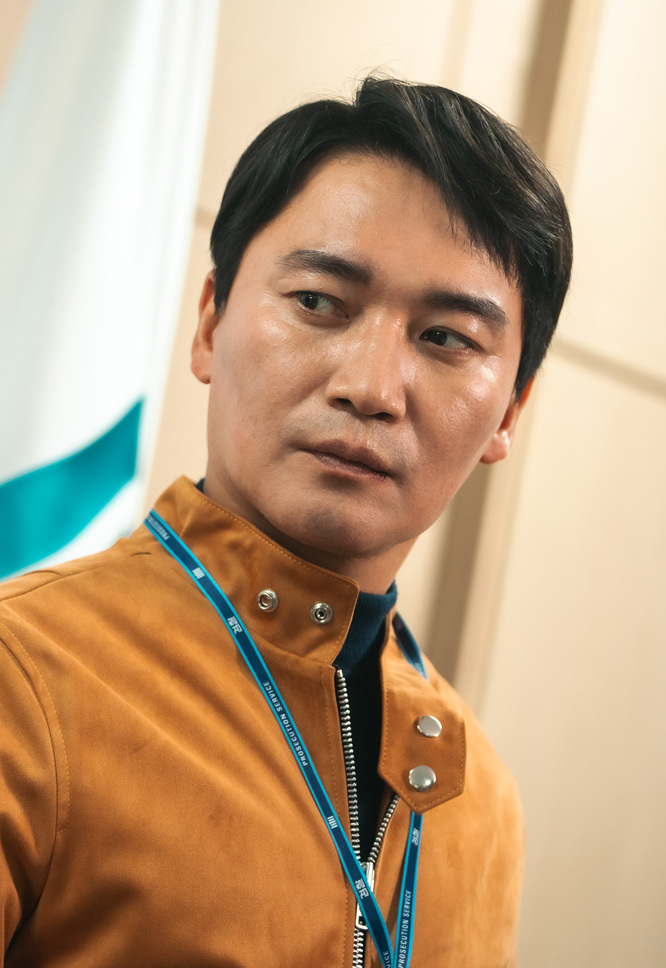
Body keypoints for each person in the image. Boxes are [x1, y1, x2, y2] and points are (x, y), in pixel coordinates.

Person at [0, 76, 572, 967]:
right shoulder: (24, 678)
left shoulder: (480, 801)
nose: (371, 388)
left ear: (509, 413)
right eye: (318, 302)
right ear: (210, 322)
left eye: (447, 338)